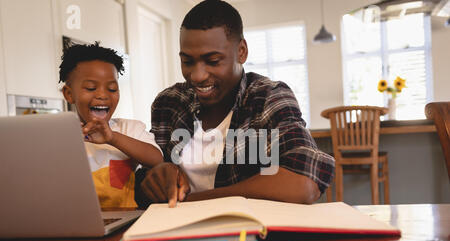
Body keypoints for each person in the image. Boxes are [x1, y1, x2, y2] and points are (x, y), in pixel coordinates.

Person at [136, 0, 335, 208]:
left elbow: (303, 183)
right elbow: (147, 177)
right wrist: (155, 177)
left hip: (251, 232)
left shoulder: (267, 97)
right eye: (187, 61)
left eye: (212, 61)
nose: (197, 75)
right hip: (177, 234)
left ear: (241, 51)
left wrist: (191, 203)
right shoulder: (169, 103)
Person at [59, 42, 163, 208]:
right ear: (69, 94)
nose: (102, 95)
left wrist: (112, 138)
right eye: (91, 88)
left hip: (123, 221)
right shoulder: (58, 135)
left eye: (112, 89)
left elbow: (157, 159)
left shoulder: (129, 129)